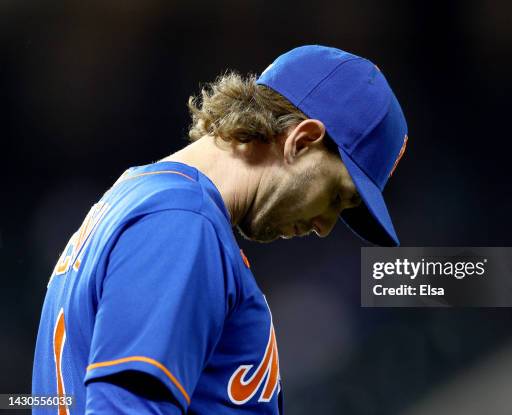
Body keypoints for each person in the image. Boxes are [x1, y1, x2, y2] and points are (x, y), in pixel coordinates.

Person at [32, 45, 408, 414]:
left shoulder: (139, 200)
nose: (324, 226)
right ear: (302, 141)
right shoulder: (181, 222)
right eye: (336, 196)